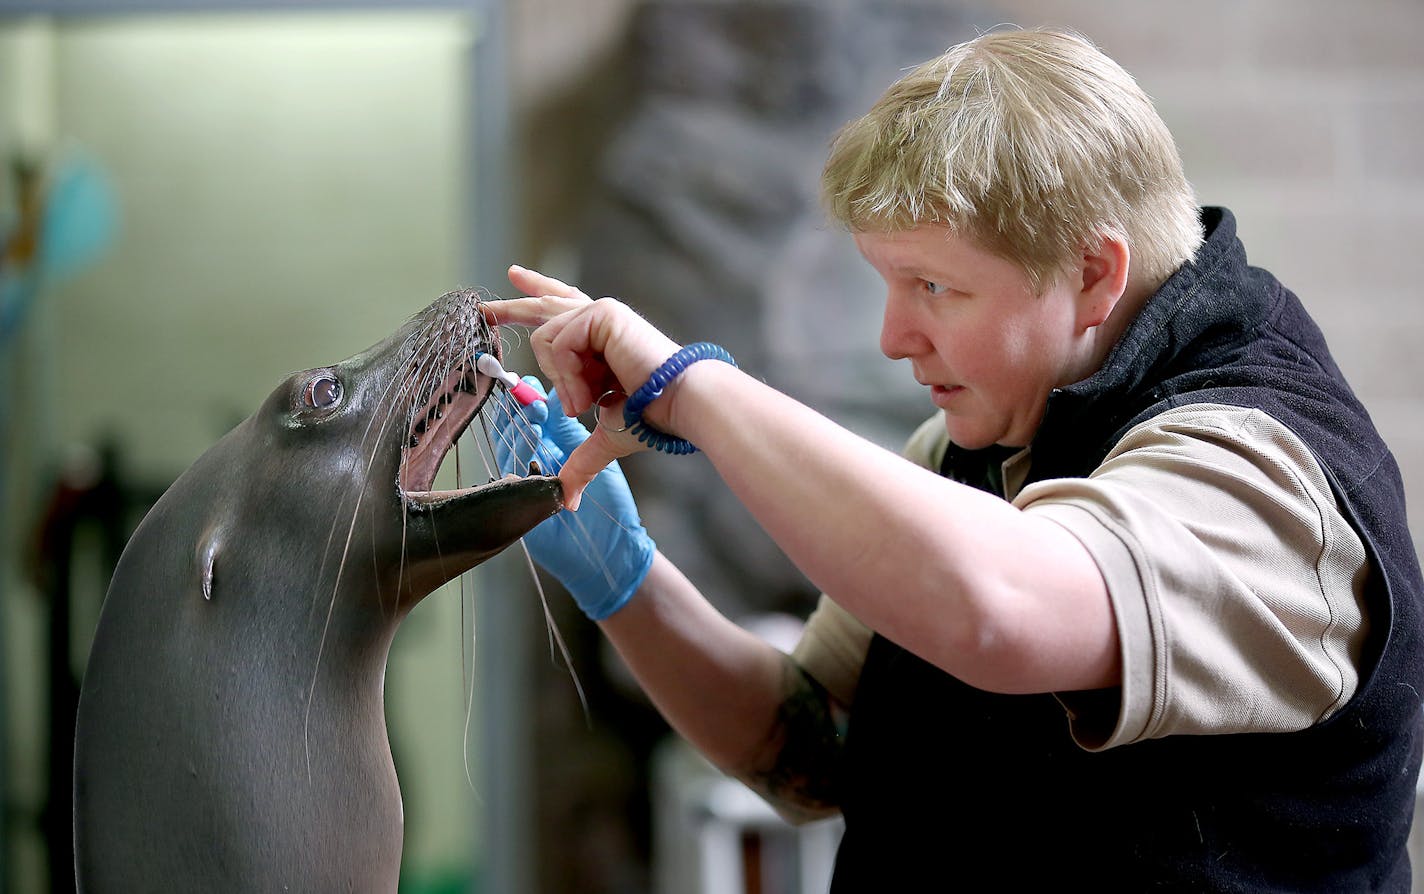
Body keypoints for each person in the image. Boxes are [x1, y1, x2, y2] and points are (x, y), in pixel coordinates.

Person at [487, 27, 1424, 891]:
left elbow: (1000, 608)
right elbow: (813, 739)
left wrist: (689, 384)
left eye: (935, 286)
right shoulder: (978, 443)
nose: (896, 337)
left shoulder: (1266, 476)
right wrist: (626, 582)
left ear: (1094, 272)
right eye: (889, 284)